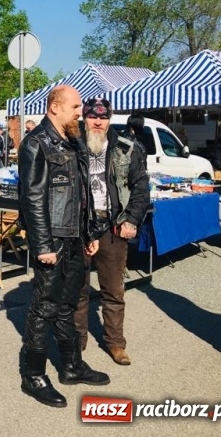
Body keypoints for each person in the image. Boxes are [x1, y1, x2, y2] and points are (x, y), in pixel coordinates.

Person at [18, 85, 108, 408]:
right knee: (45, 305)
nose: (80, 112)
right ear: (54, 107)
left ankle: (71, 366)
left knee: (69, 302)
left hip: (73, 237)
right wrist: (42, 243)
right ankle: (33, 375)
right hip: (51, 239)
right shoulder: (35, 144)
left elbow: (83, 192)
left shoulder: (73, 141)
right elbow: (32, 199)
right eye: (75, 106)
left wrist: (90, 232)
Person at [74, 97, 149, 367]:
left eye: (103, 117)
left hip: (112, 227)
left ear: (110, 119)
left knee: (114, 291)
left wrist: (132, 219)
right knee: (77, 288)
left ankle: (116, 343)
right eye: (92, 116)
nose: (97, 121)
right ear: (84, 117)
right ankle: (77, 339)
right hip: (79, 228)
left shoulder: (127, 148)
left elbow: (141, 186)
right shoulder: (72, 145)